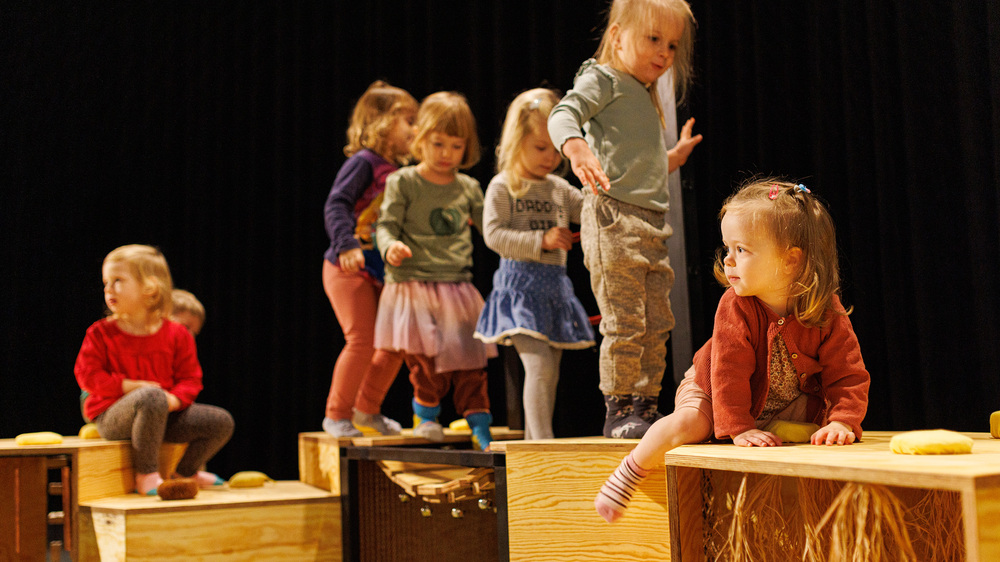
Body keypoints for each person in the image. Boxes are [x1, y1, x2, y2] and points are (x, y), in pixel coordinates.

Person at [594, 180, 871, 523]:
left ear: (790, 261)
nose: (728, 259)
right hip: (714, 389)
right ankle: (629, 472)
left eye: (741, 249)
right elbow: (728, 371)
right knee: (689, 423)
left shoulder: (826, 309)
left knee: (814, 432)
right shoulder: (735, 305)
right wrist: (738, 427)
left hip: (776, 399)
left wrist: (843, 420)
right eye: (727, 247)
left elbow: (848, 373)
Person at [547, 0, 703, 439]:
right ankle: (619, 410)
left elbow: (639, 167)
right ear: (617, 36)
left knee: (657, 322)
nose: (664, 53)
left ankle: (646, 406)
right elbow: (563, 114)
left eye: (672, 45)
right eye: (653, 39)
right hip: (613, 217)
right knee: (625, 320)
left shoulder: (642, 92)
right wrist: (575, 148)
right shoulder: (603, 78)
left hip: (651, 225)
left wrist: (671, 158)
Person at [374, 91, 496, 450]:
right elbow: (385, 225)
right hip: (413, 285)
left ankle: (479, 422)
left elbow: (492, 229)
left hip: (456, 286)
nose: (445, 154)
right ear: (420, 140)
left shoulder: (468, 187)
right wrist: (390, 246)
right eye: (437, 143)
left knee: (471, 362)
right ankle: (426, 416)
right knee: (424, 361)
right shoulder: (404, 181)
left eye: (455, 146)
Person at [474, 88, 595, 440]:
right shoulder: (504, 186)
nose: (549, 158)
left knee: (550, 371)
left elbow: (589, 209)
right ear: (516, 142)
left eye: (554, 149)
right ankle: (543, 444)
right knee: (539, 367)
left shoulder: (558, 188)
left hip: (554, 289)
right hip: (520, 291)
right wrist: (539, 241)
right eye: (539, 148)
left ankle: (533, 442)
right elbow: (493, 235)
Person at [74, 245, 235, 496]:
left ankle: (184, 473)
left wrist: (174, 399)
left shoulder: (178, 335)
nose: (108, 288)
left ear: (150, 287)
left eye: (118, 280)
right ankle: (147, 474)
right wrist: (129, 386)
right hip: (113, 415)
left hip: (162, 414)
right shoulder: (100, 332)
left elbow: (191, 379)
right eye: (106, 281)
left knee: (220, 421)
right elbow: (87, 376)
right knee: (150, 396)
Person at [321, 80, 418, 438]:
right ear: (381, 123)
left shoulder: (401, 173)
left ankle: (366, 410)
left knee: (394, 344)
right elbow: (337, 203)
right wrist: (346, 243)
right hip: (346, 267)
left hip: (380, 271)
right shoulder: (364, 163)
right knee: (362, 339)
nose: (416, 129)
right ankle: (336, 414)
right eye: (408, 120)